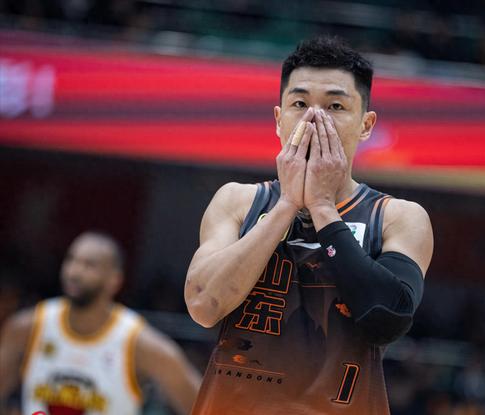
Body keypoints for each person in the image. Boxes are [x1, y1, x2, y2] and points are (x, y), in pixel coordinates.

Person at [184, 36, 434, 415]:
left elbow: (387, 321)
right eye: (300, 104)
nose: (315, 119)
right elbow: (203, 306)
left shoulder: (398, 216)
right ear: (278, 119)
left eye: (335, 106)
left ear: (366, 125)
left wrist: (321, 206)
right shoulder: (237, 201)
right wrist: (287, 204)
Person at [0, 231, 201, 415]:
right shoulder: (27, 327)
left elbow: (204, 405)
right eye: (71, 260)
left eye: (89, 265)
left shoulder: (138, 342)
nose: (74, 271)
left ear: (115, 280)